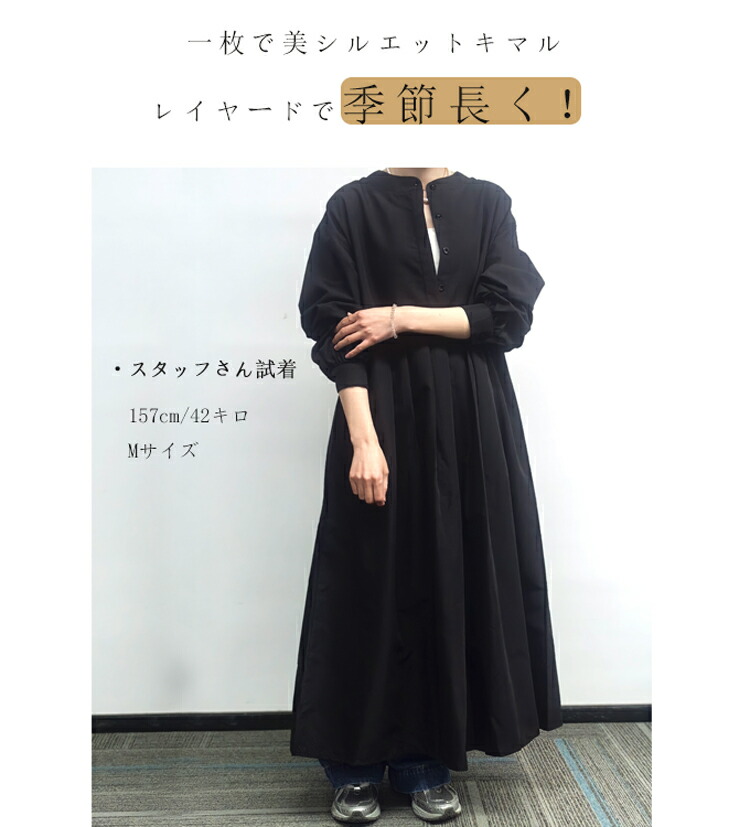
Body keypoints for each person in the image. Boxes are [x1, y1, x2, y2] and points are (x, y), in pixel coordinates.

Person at [290, 167, 563, 824]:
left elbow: (506, 316)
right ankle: (353, 765)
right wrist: (363, 440)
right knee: (367, 581)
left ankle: (424, 761)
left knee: (448, 576)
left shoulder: (487, 203)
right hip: (380, 412)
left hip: (472, 422)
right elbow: (333, 329)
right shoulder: (352, 206)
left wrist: (398, 317)